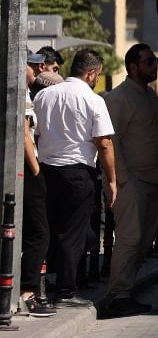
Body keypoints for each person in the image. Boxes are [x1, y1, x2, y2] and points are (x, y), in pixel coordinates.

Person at [33, 48, 116, 307]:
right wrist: (112, 180)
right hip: (78, 173)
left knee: (47, 230)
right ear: (91, 74)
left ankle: (39, 285)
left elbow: (34, 133)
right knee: (73, 233)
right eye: (98, 76)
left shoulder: (44, 95)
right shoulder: (93, 100)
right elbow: (104, 143)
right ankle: (67, 291)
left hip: (45, 170)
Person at [99, 44, 158, 317]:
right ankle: (119, 296)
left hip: (152, 180)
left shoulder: (150, 96)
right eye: (149, 62)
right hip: (131, 181)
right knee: (129, 238)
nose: (154, 66)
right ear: (133, 66)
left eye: (156, 60)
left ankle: (126, 290)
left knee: (144, 240)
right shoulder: (119, 98)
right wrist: (122, 179)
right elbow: (110, 141)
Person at [19, 67, 61, 318]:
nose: (36, 70)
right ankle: (28, 293)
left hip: (27, 168)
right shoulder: (19, 91)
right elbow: (25, 133)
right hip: (28, 170)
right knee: (39, 232)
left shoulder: (22, 91)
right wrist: (37, 171)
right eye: (32, 65)